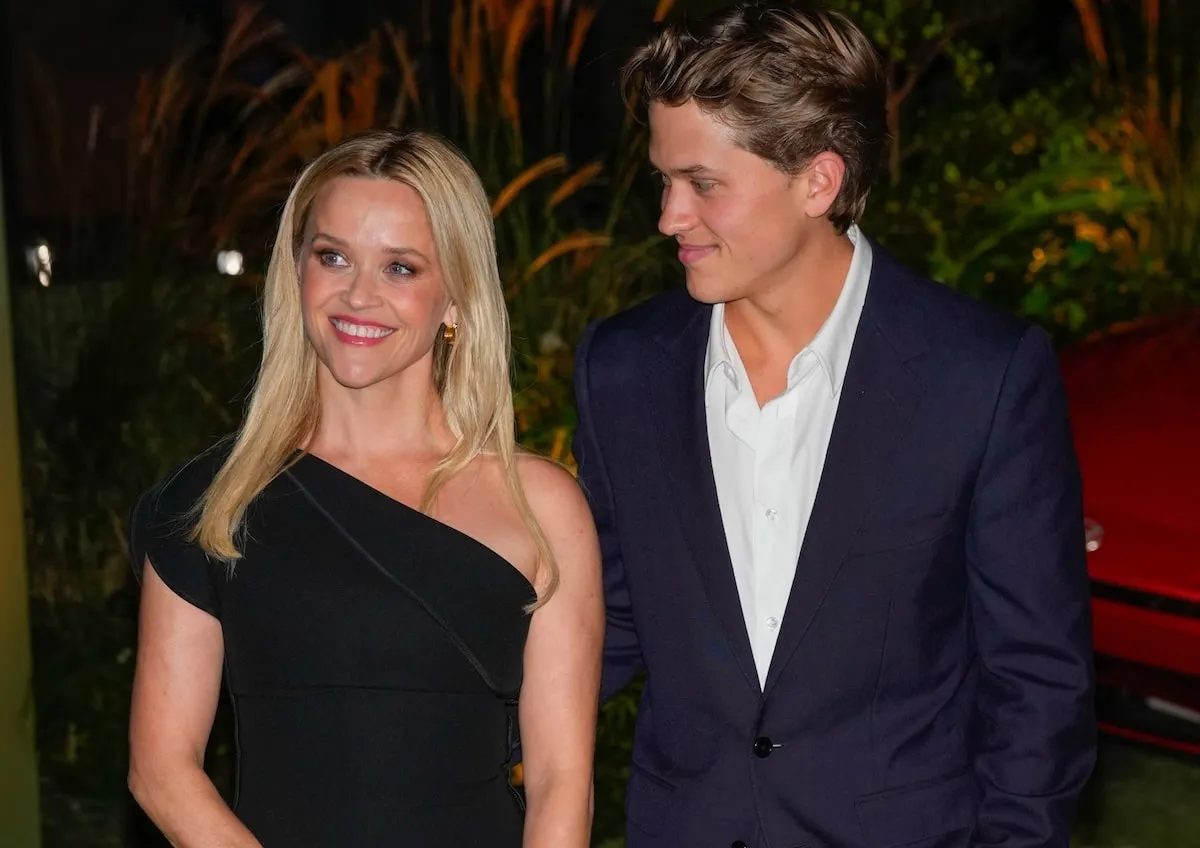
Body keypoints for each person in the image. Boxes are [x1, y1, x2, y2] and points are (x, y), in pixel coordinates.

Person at [572, 3, 1096, 847]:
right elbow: (613, 620)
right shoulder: (622, 370)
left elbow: (1036, 684)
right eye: (663, 180)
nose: (670, 216)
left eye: (703, 183)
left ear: (818, 180)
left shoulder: (981, 376)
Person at [127, 129, 602, 847]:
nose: (359, 294)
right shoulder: (215, 499)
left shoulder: (540, 504)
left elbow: (563, 780)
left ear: (456, 299)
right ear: (297, 273)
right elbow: (161, 770)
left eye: (402, 268)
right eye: (334, 256)